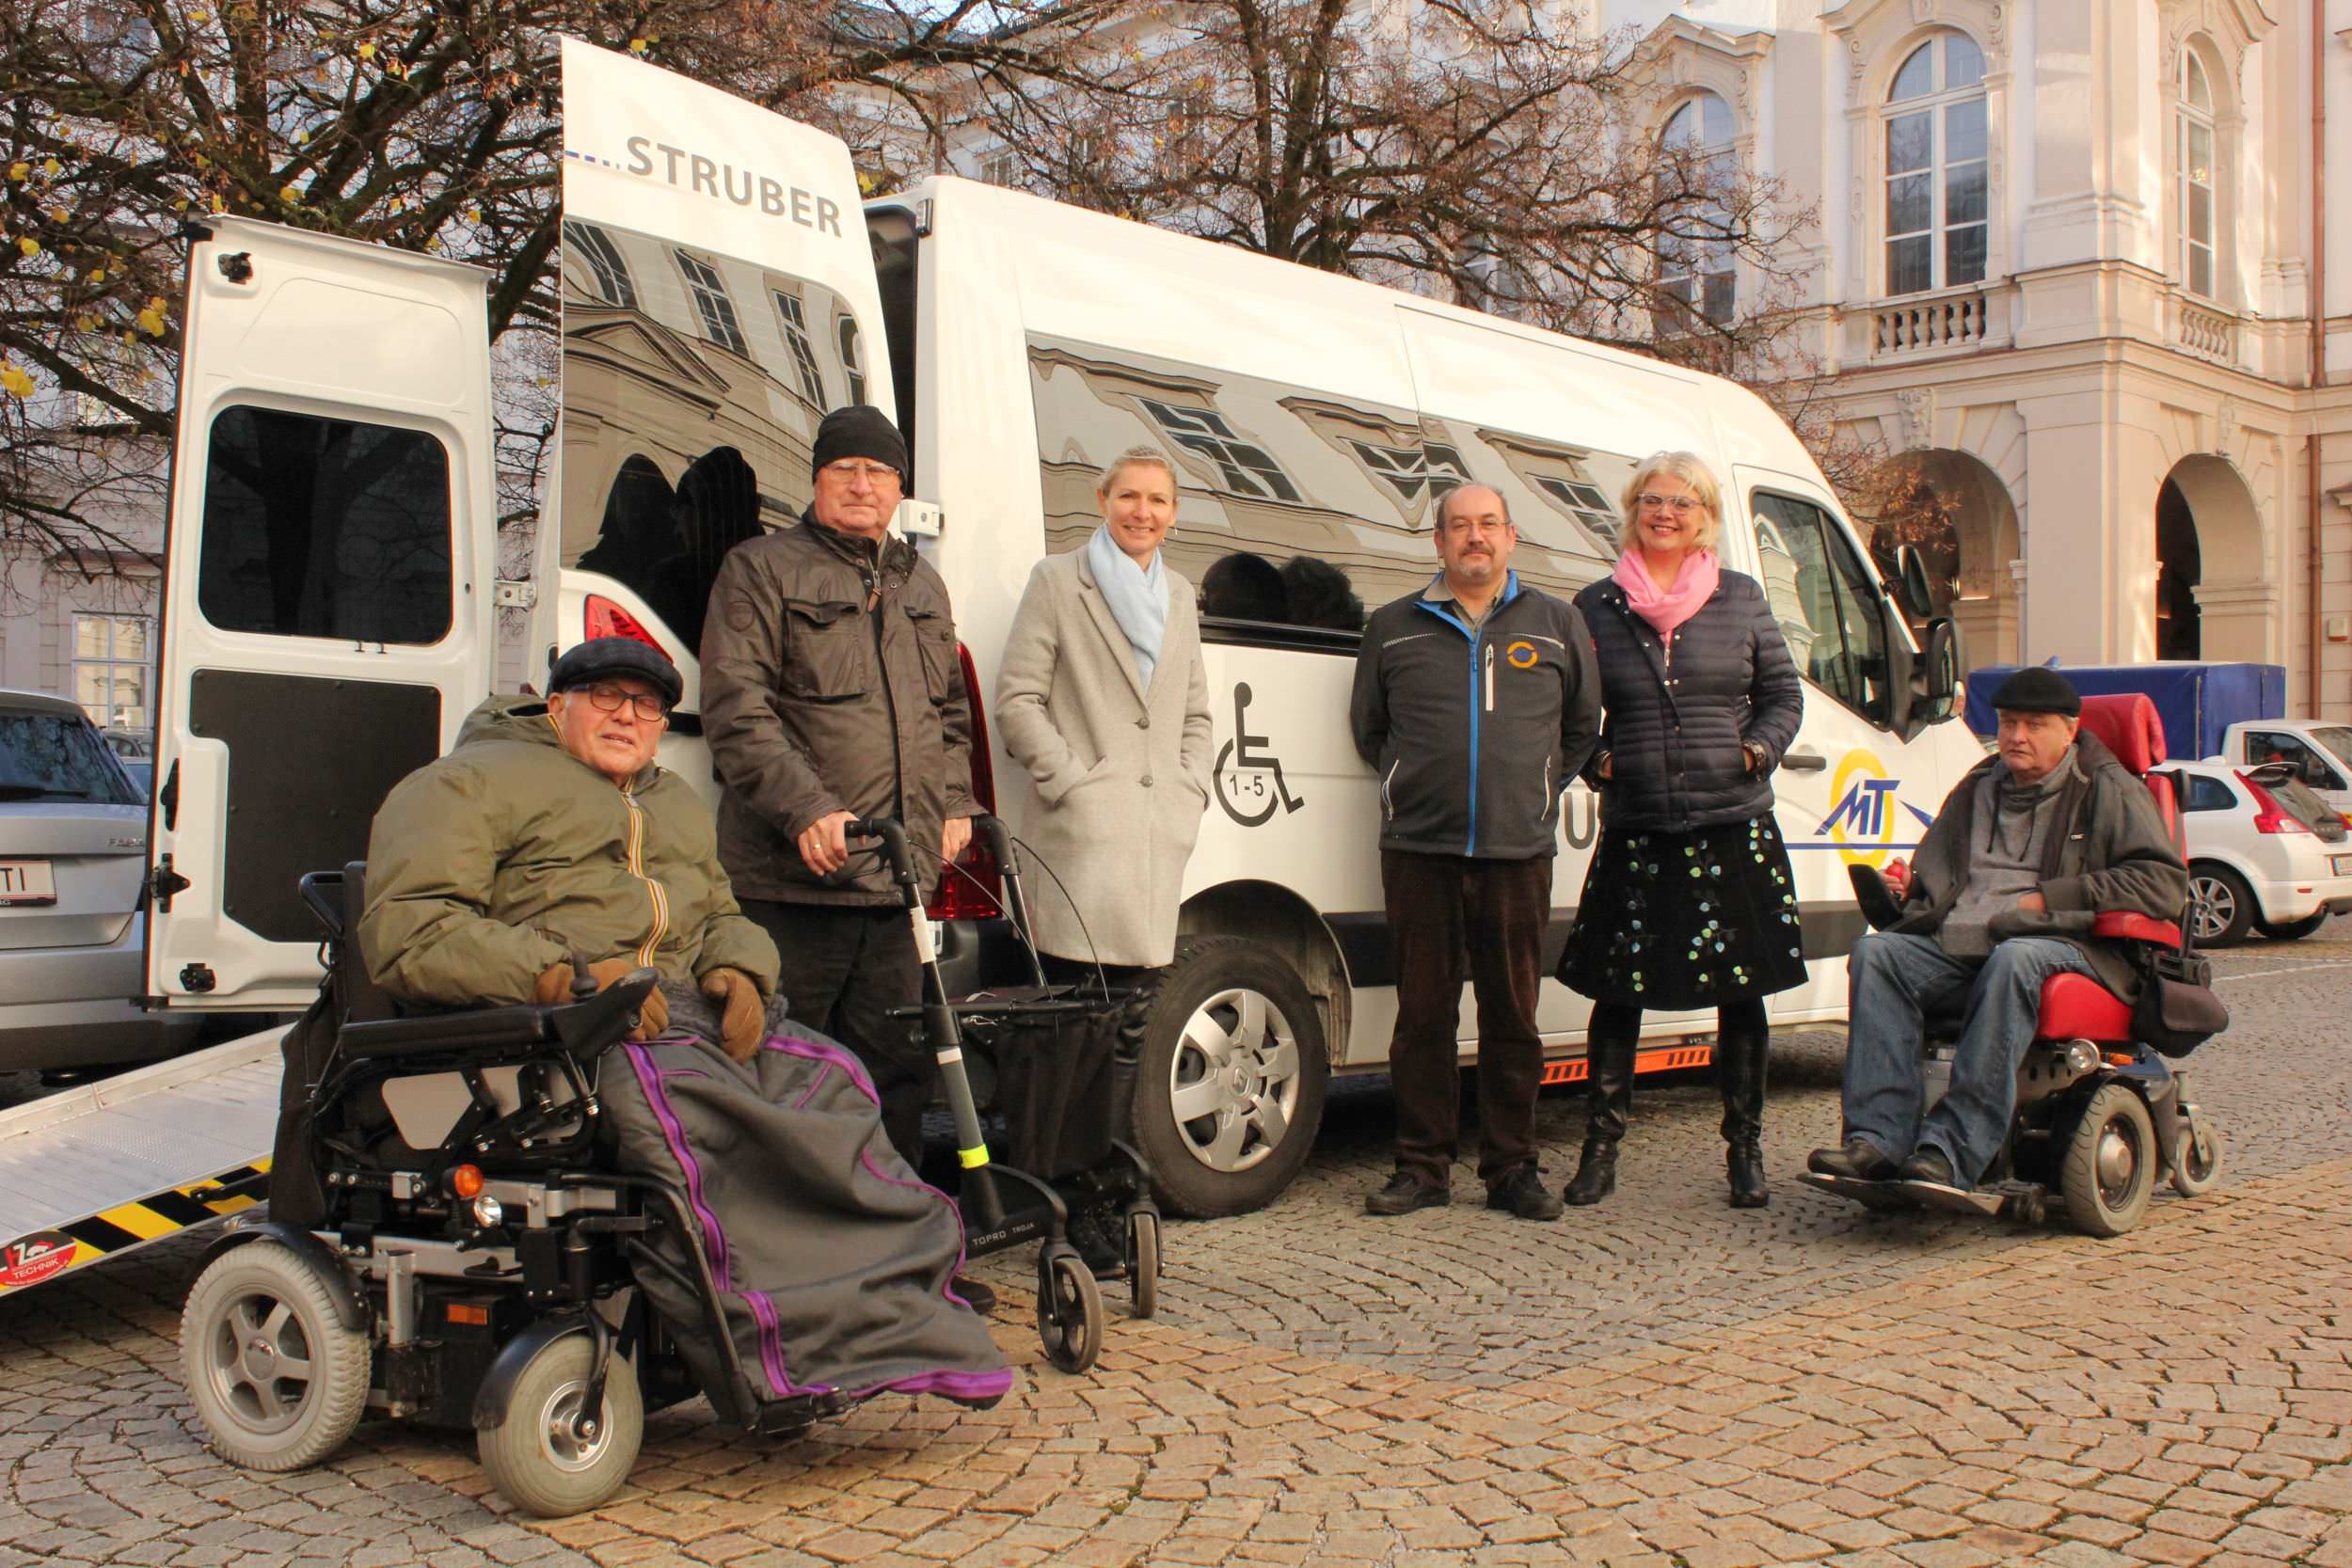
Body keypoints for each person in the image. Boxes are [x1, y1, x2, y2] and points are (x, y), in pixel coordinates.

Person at [701, 405, 977, 1168]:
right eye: (846, 469)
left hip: (898, 886)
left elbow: (950, 713)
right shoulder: (760, 568)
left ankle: (896, 1257)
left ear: (899, 488)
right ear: (818, 478)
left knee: (896, 1080)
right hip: (795, 885)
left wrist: (957, 801)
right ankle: (781, 1264)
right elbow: (736, 709)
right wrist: (809, 809)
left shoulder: (923, 585)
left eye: (879, 472)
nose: (862, 484)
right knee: (780, 1074)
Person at [1808, 668, 2190, 1191]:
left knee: (2016, 958)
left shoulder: (2108, 789)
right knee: (1880, 955)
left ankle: (1951, 1150)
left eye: (2035, 725)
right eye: (2009, 723)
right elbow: (1942, 872)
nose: (2016, 737)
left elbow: (2163, 883)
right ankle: (1877, 1141)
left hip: (2068, 946)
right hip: (1960, 945)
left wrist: (2052, 897)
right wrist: (1914, 887)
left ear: (2070, 730)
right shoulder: (1977, 785)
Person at [1556, 451, 1805, 1210]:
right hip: (1640, 823)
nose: (1667, 512)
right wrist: (1602, 763)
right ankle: (1599, 1150)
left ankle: (1746, 1151)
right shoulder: (1595, 606)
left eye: (1684, 502)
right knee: (1617, 991)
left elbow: (1783, 694)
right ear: (1633, 511)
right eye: (1653, 500)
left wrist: (1757, 750)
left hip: (1732, 822)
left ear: (1706, 519)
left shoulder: (1740, 597)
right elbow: (1568, 714)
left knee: (1744, 991)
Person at [1348, 481, 1601, 1221]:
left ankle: (1511, 1168)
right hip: (1418, 849)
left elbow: (1583, 728)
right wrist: (1415, 782)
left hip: (1516, 851)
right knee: (1423, 1015)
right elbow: (1370, 728)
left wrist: (1532, 787)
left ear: (1511, 536)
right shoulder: (1393, 626)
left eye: (1488, 524)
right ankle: (1422, 1167)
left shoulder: (1556, 623)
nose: (1475, 537)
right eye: (1459, 526)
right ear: (1438, 542)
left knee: (1512, 1018)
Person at [361, 636, 777, 1059]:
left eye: (647, 705)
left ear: (662, 729)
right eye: (606, 696)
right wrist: (563, 979)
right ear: (557, 709)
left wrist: (739, 969)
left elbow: (719, 914)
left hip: (679, 1021)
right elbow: (413, 932)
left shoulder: (678, 800)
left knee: (830, 1090)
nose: (627, 716)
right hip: (546, 1036)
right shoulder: (469, 781)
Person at [995, 445, 1215, 983]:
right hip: (1078, 839)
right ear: (1103, 500)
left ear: (1174, 511)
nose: (1143, 512)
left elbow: (1195, 713)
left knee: (1133, 1025)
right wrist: (1073, 785)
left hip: (1155, 839)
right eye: (1130, 496)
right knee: (1069, 1016)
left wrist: (1190, 788)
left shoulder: (1180, 594)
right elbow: (1017, 701)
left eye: (1158, 500)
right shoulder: (1057, 579)